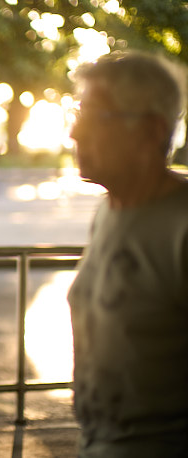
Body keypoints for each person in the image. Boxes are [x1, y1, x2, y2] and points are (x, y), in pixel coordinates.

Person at [67, 51, 188, 457]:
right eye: (77, 113)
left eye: (94, 115)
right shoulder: (108, 210)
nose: (74, 133)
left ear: (151, 131)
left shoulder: (181, 228)